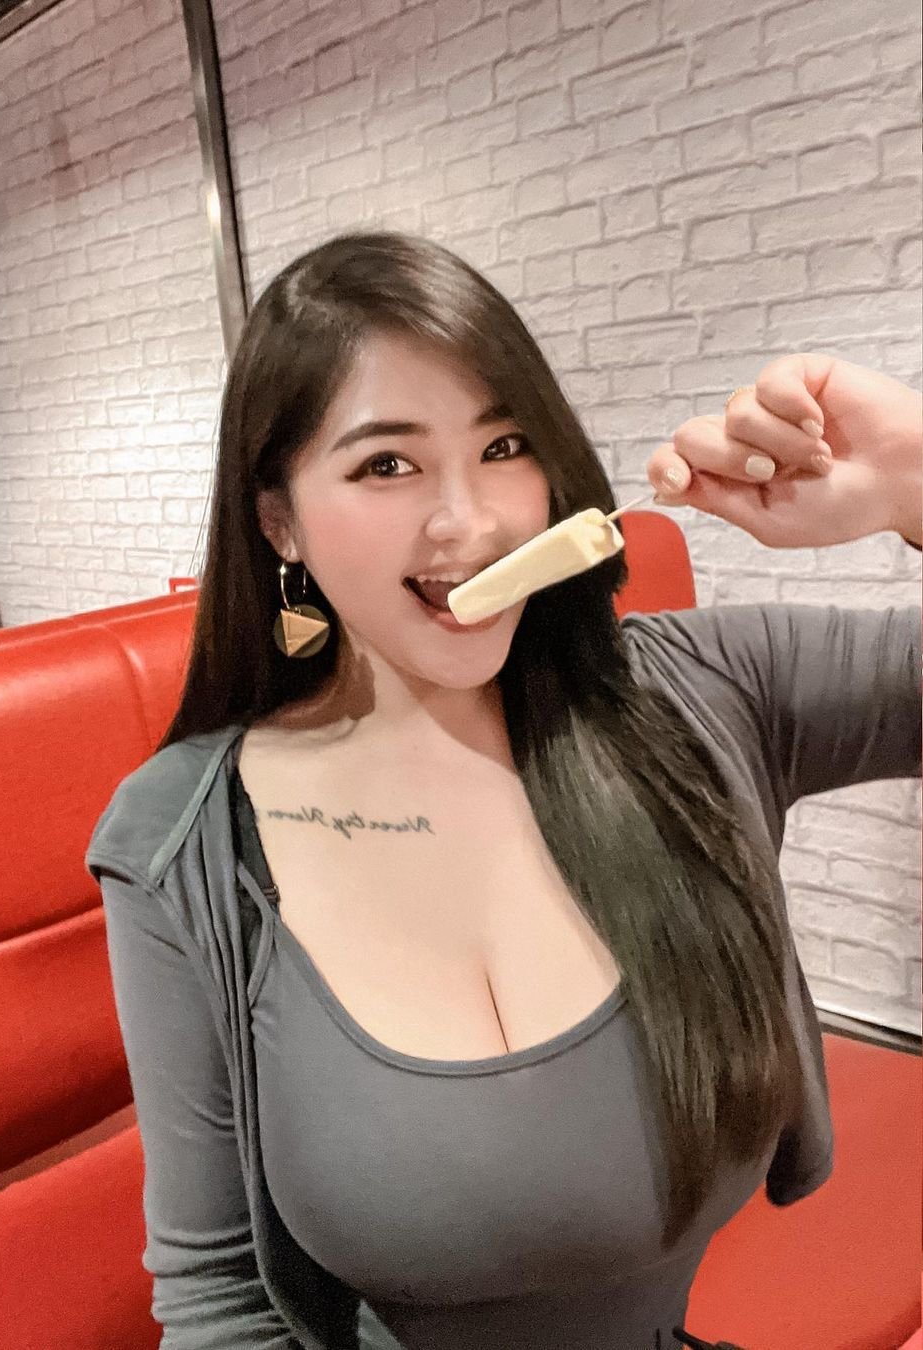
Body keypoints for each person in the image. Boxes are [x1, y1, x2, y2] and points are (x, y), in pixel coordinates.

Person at [85, 233, 921, 1350]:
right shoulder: (184, 836)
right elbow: (221, 1304)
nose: (471, 521)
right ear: (279, 518)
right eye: (387, 465)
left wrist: (916, 481)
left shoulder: (700, 694)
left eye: (504, 446)